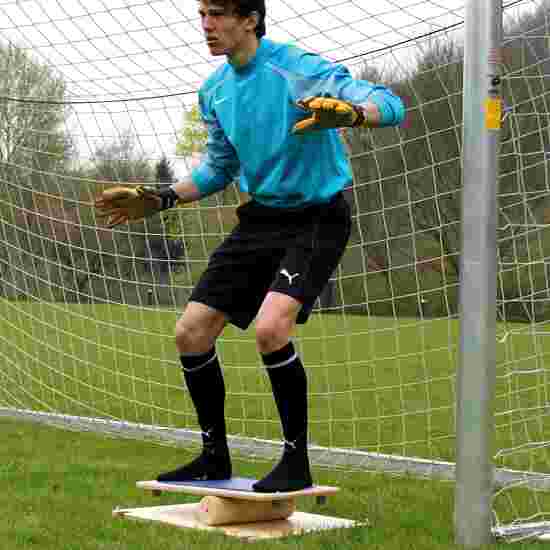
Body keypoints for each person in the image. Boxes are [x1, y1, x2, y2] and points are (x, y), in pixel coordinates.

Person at [96, 0, 405, 492]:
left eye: (217, 14)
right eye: (201, 14)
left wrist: (350, 113)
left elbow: (392, 105)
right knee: (191, 332)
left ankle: (295, 463)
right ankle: (214, 458)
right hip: (261, 217)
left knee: (271, 328)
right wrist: (160, 199)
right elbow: (218, 169)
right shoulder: (214, 91)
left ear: (250, 20)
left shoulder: (298, 69)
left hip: (318, 215)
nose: (206, 25)